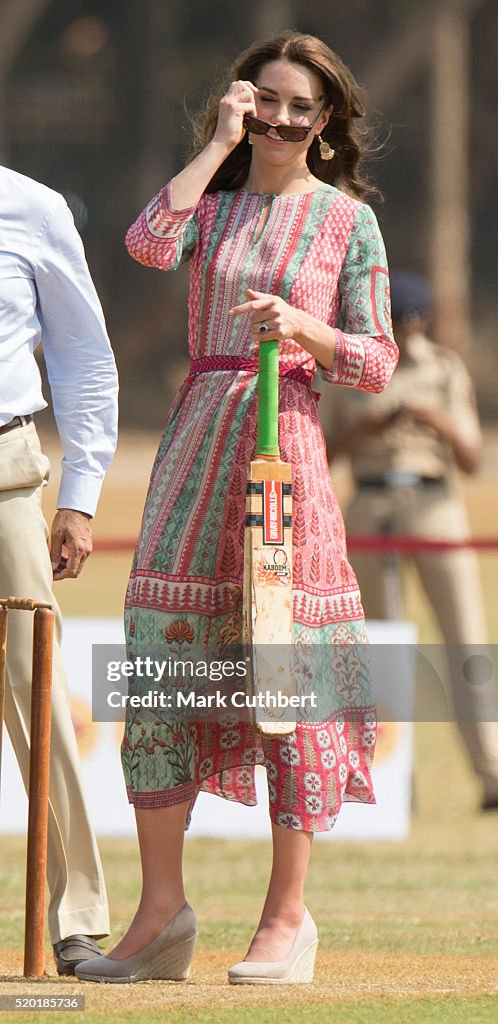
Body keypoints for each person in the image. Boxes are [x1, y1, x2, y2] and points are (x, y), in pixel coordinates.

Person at [76, 30, 397, 986]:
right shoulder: (210, 207)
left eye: (304, 107)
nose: (284, 119)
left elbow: (377, 362)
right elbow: (143, 242)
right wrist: (217, 142)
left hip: (283, 450)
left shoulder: (348, 223)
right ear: (242, 100)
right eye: (267, 100)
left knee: (281, 672)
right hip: (190, 451)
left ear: (328, 120)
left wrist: (305, 327)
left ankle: (287, 919)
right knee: (164, 661)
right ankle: (161, 915)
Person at [325, 270, 498, 812]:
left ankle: (493, 771)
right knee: (381, 650)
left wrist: (436, 421)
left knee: (466, 643)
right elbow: (325, 450)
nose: (403, 330)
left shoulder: (445, 369)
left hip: (434, 507)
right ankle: (394, 779)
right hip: (372, 504)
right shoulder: (348, 368)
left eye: (409, 320)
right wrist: (369, 428)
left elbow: (473, 460)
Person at [0, 164, 118, 974]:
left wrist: (78, 494)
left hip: (3, 467)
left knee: (32, 686)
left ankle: (74, 917)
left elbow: (82, 352)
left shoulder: (30, 205)